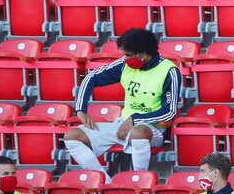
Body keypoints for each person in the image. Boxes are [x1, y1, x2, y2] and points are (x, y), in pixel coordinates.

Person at [64, 28, 181, 182]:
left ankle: (139, 182)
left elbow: (169, 112)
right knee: (72, 136)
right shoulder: (124, 64)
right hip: (123, 124)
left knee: (138, 132)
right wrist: (80, 110)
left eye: (129, 55)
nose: (125, 59)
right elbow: (90, 78)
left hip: (154, 128)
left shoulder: (169, 71)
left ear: (142, 53)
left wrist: (134, 119)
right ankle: (106, 182)